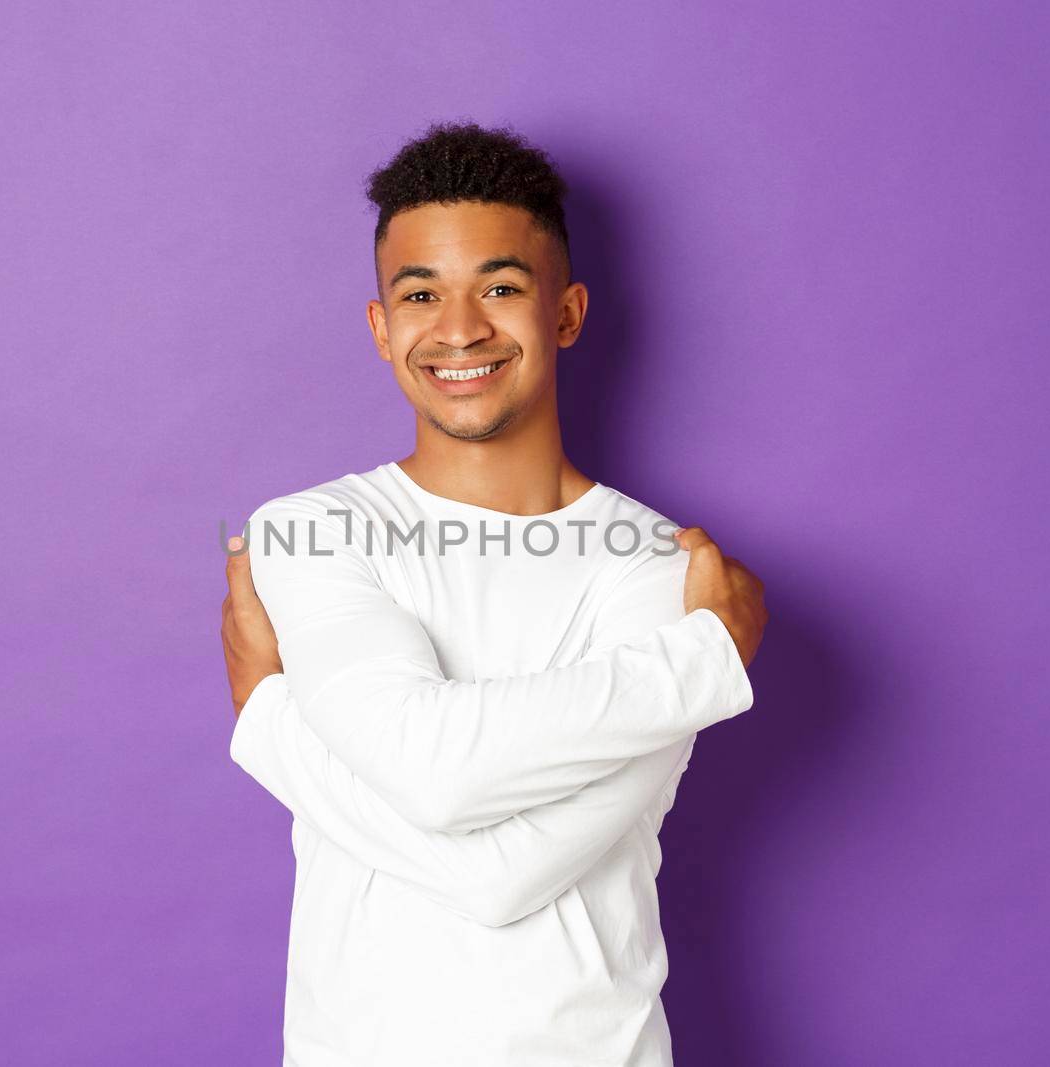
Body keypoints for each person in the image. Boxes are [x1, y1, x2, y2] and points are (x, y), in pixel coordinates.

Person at [220, 120, 768, 1067]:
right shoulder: (311, 529)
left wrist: (270, 720)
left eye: (501, 287)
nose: (461, 327)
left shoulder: (660, 566)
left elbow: (500, 872)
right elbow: (431, 770)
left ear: (566, 312)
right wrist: (701, 663)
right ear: (381, 329)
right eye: (421, 293)